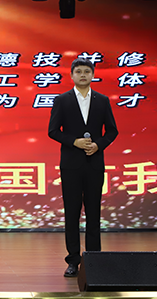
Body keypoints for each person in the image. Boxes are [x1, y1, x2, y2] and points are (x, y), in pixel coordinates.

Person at [48, 58, 119, 278]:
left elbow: (112, 131)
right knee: (72, 213)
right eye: (78, 71)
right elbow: (53, 131)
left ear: (93, 75)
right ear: (71, 75)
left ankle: (94, 260)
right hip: (71, 165)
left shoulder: (102, 100)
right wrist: (74, 142)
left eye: (87, 71)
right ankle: (73, 260)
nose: (82, 75)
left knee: (93, 213)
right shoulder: (62, 100)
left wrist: (99, 145)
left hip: (94, 164)